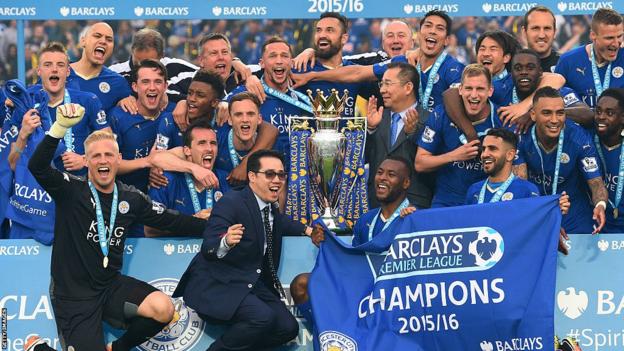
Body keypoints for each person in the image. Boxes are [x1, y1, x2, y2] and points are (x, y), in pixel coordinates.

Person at [24, 108, 207, 351]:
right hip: (73, 296)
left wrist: (214, 227)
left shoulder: (131, 198)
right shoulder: (70, 191)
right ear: (86, 161)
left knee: (164, 308)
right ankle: (37, 348)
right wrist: (59, 128)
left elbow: (172, 221)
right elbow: (37, 167)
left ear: (118, 159)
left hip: (110, 287)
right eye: (96, 156)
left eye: (108, 155)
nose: (103, 160)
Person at [173, 149, 318, 351]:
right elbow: (208, 247)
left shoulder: (268, 206)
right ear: (252, 176)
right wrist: (225, 242)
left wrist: (308, 230)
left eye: (281, 175)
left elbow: (278, 222)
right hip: (219, 283)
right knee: (262, 317)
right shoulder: (231, 202)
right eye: (269, 174)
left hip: (252, 283)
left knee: (288, 328)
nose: (277, 180)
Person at [290, 156, 416, 329]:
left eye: (391, 174)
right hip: (362, 286)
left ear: (406, 183)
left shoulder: (415, 219)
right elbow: (354, 261)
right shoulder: (366, 219)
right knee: (301, 284)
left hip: (396, 293)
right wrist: (328, 245)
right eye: (380, 172)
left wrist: (412, 224)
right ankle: (331, 337)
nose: (383, 178)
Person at [513, 87, 607, 234]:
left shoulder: (579, 138)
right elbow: (522, 184)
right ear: (532, 114)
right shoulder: (521, 136)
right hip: (537, 207)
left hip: (574, 210)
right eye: (546, 113)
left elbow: (596, 183)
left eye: (560, 113)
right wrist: (543, 217)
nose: (554, 120)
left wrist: (600, 204)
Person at [465, 128, 571, 253]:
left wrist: (553, 212)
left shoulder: (526, 190)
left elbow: (536, 225)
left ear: (510, 155)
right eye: (484, 149)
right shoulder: (474, 190)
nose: (484, 154)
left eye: (492, 149)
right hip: (481, 257)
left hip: (511, 260)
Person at [415, 64, 503, 207]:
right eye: (468, 88)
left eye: (480, 89)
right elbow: (420, 163)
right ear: (460, 90)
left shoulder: (501, 119)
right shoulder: (441, 114)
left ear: (490, 91)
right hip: (446, 203)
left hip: (485, 203)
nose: (474, 95)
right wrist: (454, 156)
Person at [227, 37, 312, 168]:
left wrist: (310, 50)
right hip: (262, 176)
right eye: (272, 56)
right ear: (262, 63)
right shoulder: (248, 91)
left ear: (291, 62)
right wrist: (222, 104)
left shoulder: (303, 92)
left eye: (284, 56)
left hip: (299, 176)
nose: (279, 61)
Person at [147, 118, 229, 235]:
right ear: (187, 150)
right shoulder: (166, 180)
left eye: (213, 143)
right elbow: (149, 229)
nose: (209, 149)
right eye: (202, 143)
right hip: (176, 251)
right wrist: (193, 221)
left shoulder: (225, 180)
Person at [366, 62, 431, 209]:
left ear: (408, 87)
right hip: (378, 206)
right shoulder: (377, 117)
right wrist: (370, 129)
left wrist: (412, 134)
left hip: (414, 206)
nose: (382, 90)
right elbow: (364, 158)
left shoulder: (429, 120)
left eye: (388, 84)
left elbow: (429, 167)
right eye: (381, 84)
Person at [109, 59, 169, 193]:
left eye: (158, 82)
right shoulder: (118, 117)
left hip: (162, 197)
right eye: (145, 82)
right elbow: (109, 163)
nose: (152, 87)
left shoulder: (174, 114)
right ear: (135, 87)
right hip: (125, 196)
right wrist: (148, 161)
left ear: (165, 86)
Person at [109, 28, 198, 105]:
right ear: (132, 50)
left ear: (161, 56)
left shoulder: (178, 67)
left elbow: (207, 85)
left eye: (149, 64)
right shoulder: (114, 73)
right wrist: (118, 102)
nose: (142, 70)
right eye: (137, 64)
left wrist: (183, 103)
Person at [555, 8, 624, 108]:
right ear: (593, 35)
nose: (616, 44)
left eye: (620, 36)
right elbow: (554, 102)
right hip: (581, 123)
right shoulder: (568, 61)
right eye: (609, 38)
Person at [67, 22, 131, 113]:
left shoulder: (118, 83)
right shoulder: (59, 74)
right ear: (83, 41)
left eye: (109, 39)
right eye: (97, 36)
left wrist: (126, 102)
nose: (103, 41)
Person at [592, 88, 624, 233]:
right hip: (593, 220)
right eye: (598, 111)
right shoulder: (586, 141)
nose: (601, 117)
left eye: (609, 113)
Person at [215, 92, 265, 175]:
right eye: (238, 114)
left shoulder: (272, 145)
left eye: (250, 114)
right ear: (230, 120)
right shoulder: (217, 142)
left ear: (259, 119)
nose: (245, 119)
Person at [522, 6, 560, 73]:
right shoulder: (512, 64)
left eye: (547, 28)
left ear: (555, 32)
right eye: (535, 28)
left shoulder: (567, 64)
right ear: (524, 32)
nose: (541, 35)